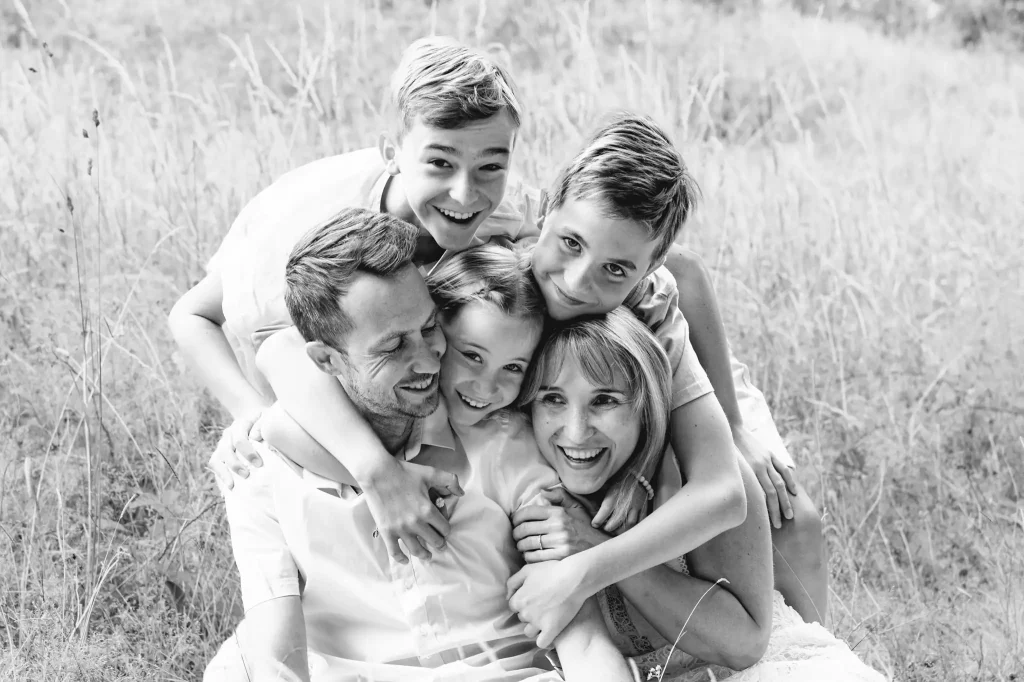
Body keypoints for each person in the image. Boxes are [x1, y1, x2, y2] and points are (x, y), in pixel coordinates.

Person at [205, 209, 632, 681]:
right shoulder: (257, 465)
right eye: (392, 348)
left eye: (430, 330)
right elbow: (277, 654)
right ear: (327, 359)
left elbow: (582, 635)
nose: (428, 361)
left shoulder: (503, 444)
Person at [168, 35, 539, 566]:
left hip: (392, 383)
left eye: (490, 167)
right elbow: (245, 336)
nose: (465, 193)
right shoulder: (313, 226)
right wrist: (251, 414)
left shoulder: (508, 208)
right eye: (439, 163)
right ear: (392, 151)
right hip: (293, 374)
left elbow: (647, 259)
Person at [510, 308, 887, 682]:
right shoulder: (522, 477)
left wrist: (593, 548)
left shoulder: (698, 477)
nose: (576, 433)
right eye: (553, 399)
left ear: (646, 405)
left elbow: (743, 644)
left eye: (604, 400)